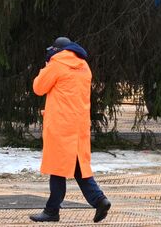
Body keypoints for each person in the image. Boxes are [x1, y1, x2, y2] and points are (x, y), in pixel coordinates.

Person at [30, 37, 111, 223]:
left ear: (57, 50)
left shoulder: (56, 64)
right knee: (78, 167)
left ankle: (52, 211)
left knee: (57, 167)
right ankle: (99, 200)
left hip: (60, 125)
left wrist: (46, 66)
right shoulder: (84, 66)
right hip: (78, 124)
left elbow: (38, 88)